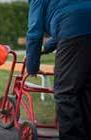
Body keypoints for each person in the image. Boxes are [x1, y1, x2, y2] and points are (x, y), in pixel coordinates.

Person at [26, 0, 91, 139]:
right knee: (86, 90)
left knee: (65, 92)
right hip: (80, 25)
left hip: (73, 28)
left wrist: (31, 67)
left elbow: (34, 33)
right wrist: (45, 48)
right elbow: (68, 21)